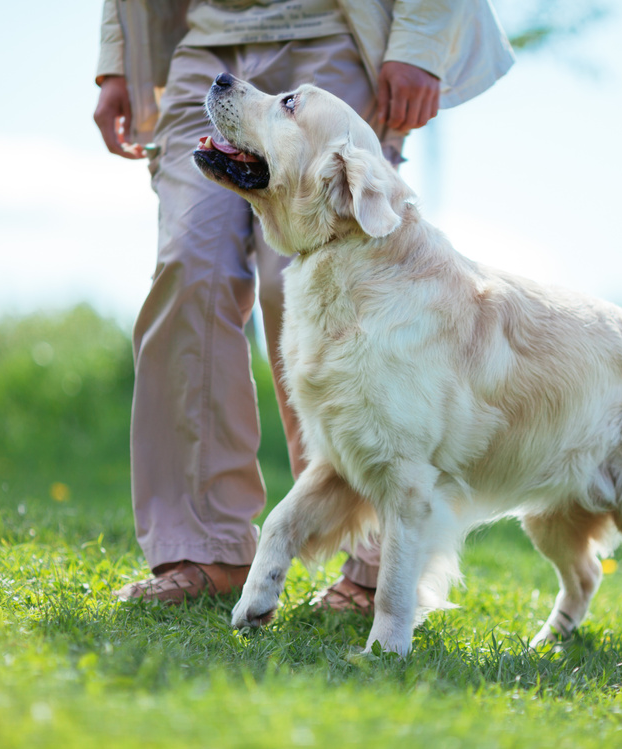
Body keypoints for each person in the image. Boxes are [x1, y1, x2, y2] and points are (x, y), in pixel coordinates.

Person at [94, 0, 513, 612]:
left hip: (338, 31)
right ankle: (203, 549)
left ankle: (376, 567)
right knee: (190, 269)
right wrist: (117, 64)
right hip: (203, 37)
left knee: (320, 274)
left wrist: (420, 44)